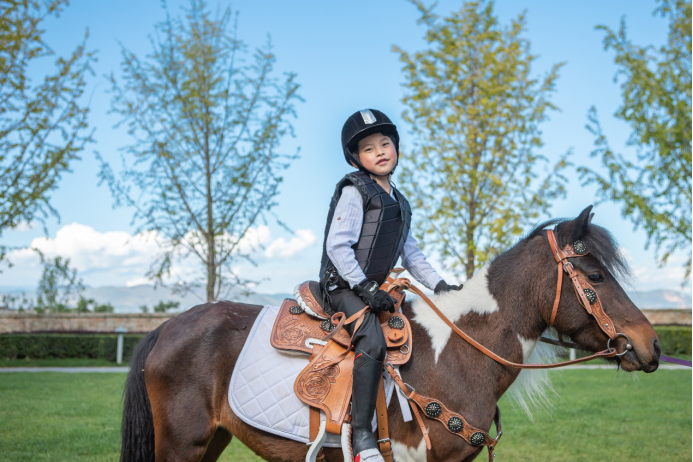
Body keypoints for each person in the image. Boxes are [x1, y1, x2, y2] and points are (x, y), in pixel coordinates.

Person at [318, 109, 463, 462]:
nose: (380, 151)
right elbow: (337, 246)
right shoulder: (356, 192)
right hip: (342, 286)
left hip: (371, 287)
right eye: (369, 148)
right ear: (356, 158)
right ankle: (361, 433)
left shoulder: (400, 201)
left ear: (396, 148)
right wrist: (365, 287)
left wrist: (439, 285)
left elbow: (411, 255)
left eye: (386, 144)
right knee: (371, 337)